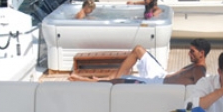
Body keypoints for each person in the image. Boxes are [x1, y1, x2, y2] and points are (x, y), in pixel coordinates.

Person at [69, 39, 211, 85]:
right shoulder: (196, 65)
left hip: (157, 84)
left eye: (192, 51)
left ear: (202, 53)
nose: (189, 54)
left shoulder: (199, 70)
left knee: (119, 82)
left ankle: (85, 80)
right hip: (161, 75)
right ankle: (110, 77)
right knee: (138, 50)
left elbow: (200, 89)